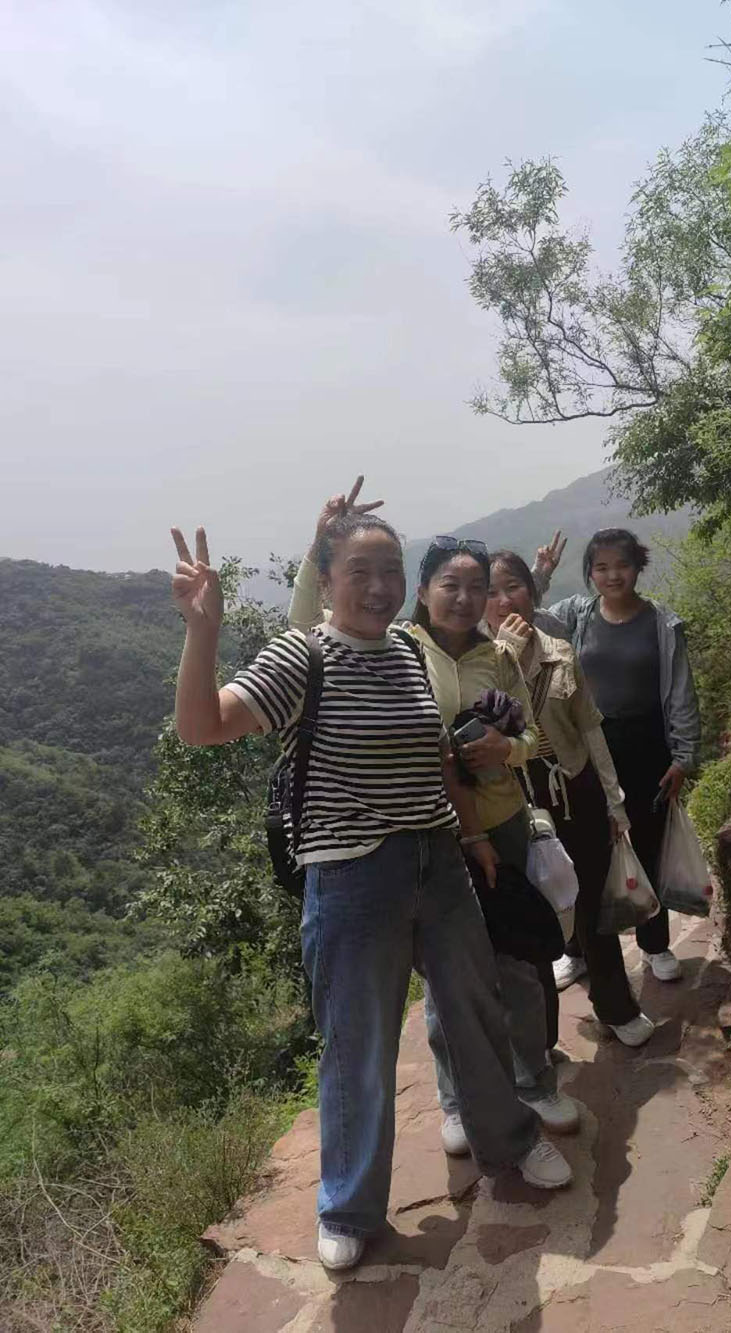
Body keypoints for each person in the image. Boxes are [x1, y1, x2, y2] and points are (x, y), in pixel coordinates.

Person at [169, 497, 572, 1276]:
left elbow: (437, 758)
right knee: (358, 1044)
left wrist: (471, 838)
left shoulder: (407, 655)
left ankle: (511, 1142)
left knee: (476, 1010)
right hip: (352, 877)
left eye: (392, 570)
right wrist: (202, 629)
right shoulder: (303, 655)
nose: (380, 585)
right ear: (326, 580)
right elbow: (202, 727)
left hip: (439, 860)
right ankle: (348, 1205)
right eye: (361, 571)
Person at [289, 495, 580, 1158]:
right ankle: (454, 1099)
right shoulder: (397, 648)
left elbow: (531, 735)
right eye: (450, 584)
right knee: (450, 983)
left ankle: (534, 1080)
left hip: (501, 822)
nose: (465, 598)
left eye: (477, 587)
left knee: (519, 961)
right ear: (421, 591)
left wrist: (506, 749)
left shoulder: (497, 657)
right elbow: (307, 632)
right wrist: (319, 547)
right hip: (435, 833)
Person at [486, 550, 658, 1047]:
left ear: (532, 591)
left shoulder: (560, 651)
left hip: (574, 789)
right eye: (491, 592)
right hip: (514, 800)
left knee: (592, 900)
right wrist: (501, 656)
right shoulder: (476, 665)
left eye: (514, 586)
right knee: (532, 914)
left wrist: (614, 800)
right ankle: (540, 1038)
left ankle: (615, 1006)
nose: (504, 600)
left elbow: (590, 728)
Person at [531, 528, 700, 987]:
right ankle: (578, 949)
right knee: (583, 851)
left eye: (622, 565)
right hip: (588, 748)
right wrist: (540, 575)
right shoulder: (576, 616)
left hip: (647, 748)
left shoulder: (661, 624)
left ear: (638, 567)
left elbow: (681, 693)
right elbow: (523, 614)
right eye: (601, 567)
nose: (612, 575)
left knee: (646, 845)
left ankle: (654, 944)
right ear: (589, 573)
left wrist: (683, 756)